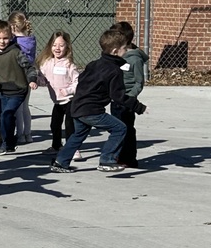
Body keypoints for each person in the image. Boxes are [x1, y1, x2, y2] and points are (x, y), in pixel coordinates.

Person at [51, 27, 147, 174]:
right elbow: (118, 96)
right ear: (115, 51)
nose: (126, 51)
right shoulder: (114, 71)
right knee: (120, 128)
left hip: (77, 106)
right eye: (124, 49)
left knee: (78, 135)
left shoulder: (93, 64)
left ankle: (61, 162)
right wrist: (138, 107)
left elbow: (82, 80)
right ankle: (107, 160)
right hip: (91, 110)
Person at [0, 20, 38, 155]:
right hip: (3, 90)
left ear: (11, 37)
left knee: (7, 114)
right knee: (4, 116)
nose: (2, 42)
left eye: (5, 38)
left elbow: (28, 67)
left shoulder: (16, 52)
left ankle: (6, 143)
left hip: (18, 90)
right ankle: (10, 142)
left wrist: (32, 80)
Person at [110, 20, 149, 168]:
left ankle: (128, 158)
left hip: (126, 100)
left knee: (127, 129)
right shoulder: (116, 55)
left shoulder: (135, 59)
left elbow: (139, 82)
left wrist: (130, 98)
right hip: (116, 98)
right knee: (117, 128)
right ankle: (118, 155)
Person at [37, 30, 81, 156]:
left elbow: (77, 82)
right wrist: (36, 81)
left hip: (69, 100)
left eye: (61, 45)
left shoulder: (69, 65)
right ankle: (56, 146)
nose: (57, 48)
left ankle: (73, 148)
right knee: (54, 124)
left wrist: (67, 91)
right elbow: (42, 78)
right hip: (57, 101)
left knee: (69, 126)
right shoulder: (46, 63)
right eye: (54, 45)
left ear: (67, 46)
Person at [8, 11, 37, 144]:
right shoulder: (31, 40)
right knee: (26, 106)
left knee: (18, 108)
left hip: (18, 76)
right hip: (29, 75)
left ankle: (20, 134)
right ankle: (28, 134)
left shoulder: (15, 42)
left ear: (13, 26)